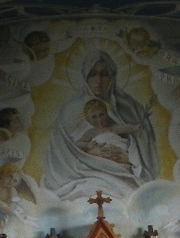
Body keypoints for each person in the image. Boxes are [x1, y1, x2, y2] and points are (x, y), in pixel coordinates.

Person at [42, 50, 159, 199]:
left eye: (104, 74)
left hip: (123, 171)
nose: (98, 80)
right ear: (85, 76)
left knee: (131, 197)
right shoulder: (69, 110)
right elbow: (60, 154)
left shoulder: (130, 107)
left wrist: (129, 157)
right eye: (93, 74)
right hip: (82, 173)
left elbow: (145, 146)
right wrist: (91, 152)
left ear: (112, 76)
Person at [75, 98, 141, 166]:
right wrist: (88, 145)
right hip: (102, 158)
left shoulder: (112, 128)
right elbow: (77, 144)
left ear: (106, 114)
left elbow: (124, 128)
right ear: (88, 120)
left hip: (118, 153)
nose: (99, 119)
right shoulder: (91, 132)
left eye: (101, 115)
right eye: (94, 117)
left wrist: (134, 127)